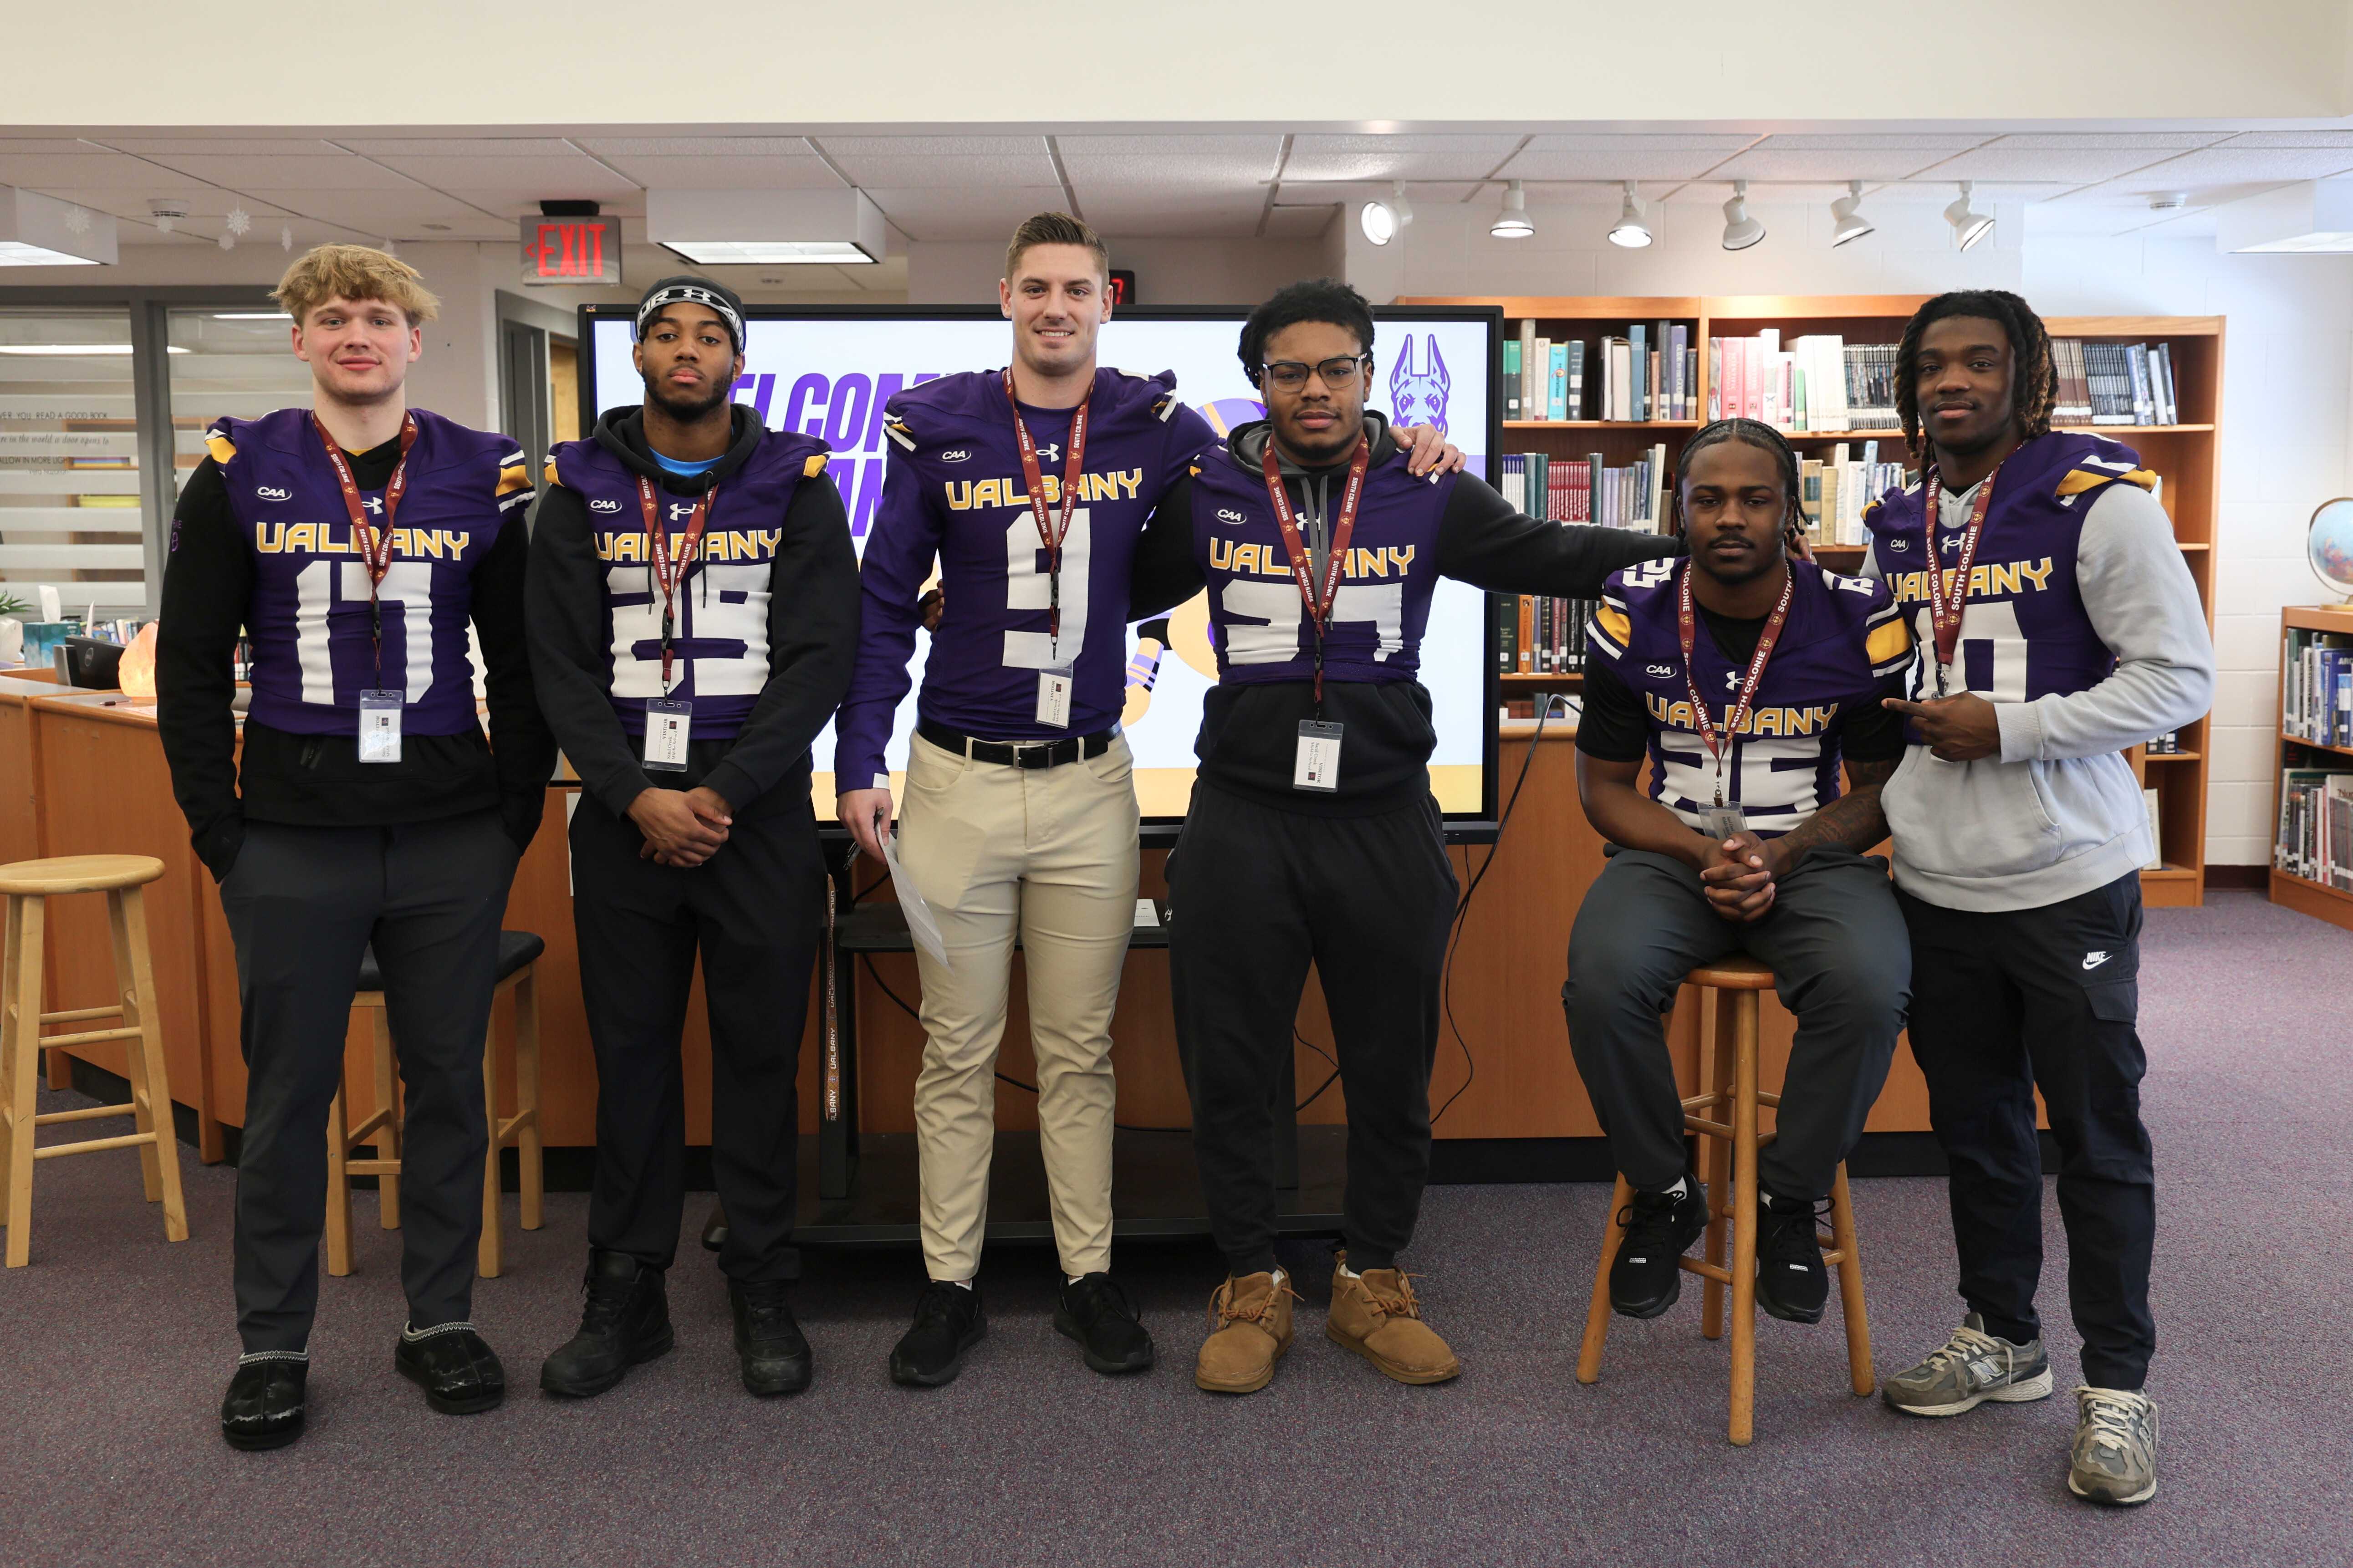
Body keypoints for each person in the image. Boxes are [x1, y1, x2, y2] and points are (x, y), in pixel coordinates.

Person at [836, 215, 1465, 1388]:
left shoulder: (1162, 422)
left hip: (1088, 775)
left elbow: (1300, 459)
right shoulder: (936, 423)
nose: (1056, 308)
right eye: (1035, 288)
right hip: (954, 775)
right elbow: (882, 602)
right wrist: (856, 756)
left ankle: (1089, 1280)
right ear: (1004, 297)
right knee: (956, 1050)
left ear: (1106, 303)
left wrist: (1411, 441)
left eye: (1076, 289)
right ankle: (946, 1288)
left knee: (1078, 1051)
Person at [1126, 278, 1681, 1395]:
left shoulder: (1428, 489)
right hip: (1240, 815)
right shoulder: (1208, 492)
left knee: (1391, 1062)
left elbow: (1553, 553)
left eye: (1337, 368)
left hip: (1382, 814)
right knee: (1231, 1062)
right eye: (1292, 371)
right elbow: (1101, 577)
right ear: (1261, 382)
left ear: (1369, 376)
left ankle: (1371, 1275)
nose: (1316, 390)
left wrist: (1711, 540)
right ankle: (1249, 1279)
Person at [157, 244, 555, 1449]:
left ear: (415, 339)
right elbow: (188, 662)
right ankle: (270, 1343)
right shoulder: (242, 467)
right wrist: (218, 828)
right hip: (290, 834)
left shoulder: (480, 474)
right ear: (300, 340)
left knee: (447, 1086)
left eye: (378, 316)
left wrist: (512, 812)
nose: (356, 335)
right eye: (332, 317)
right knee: (287, 1099)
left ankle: (437, 1319)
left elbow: (527, 656)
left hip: (448, 835)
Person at [1864, 291, 2214, 1507]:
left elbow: (2180, 682)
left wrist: (2011, 730)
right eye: (1932, 365)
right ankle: (2002, 1335)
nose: (1951, 381)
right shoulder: (1895, 517)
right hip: (1936, 882)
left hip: (2066, 883)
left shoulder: (2103, 504)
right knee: (1976, 1127)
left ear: (2030, 378)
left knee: (2097, 1136)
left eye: (1979, 361)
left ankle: (2118, 1391)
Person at [526, 276, 859, 1399]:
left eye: (709, 335)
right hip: (623, 819)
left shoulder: (799, 483)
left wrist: (718, 795)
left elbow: (820, 659)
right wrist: (633, 796)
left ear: (736, 360)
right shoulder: (576, 488)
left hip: (754, 820)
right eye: (665, 334)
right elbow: (558, 669)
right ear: (637, 358)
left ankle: (762, 1281)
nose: (686, 350)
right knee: (632, 1063)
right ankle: (626, 1289)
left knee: (761, 1060)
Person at [1562, 418, 1914, 1328]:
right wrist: (1700, 853)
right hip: (1671, 852)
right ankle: (1664, 1187)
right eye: (1708, 498)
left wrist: (1784, 854)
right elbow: (1603, 788)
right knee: (1600, 982)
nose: (1730, 517)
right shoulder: (1625, 609)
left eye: (1754, 498)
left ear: (1789, 512)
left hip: (1810, 857)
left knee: (1869, 986)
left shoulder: (1858, 616)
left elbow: (1881, 790)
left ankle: (1786, 1202)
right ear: (1678, 509)